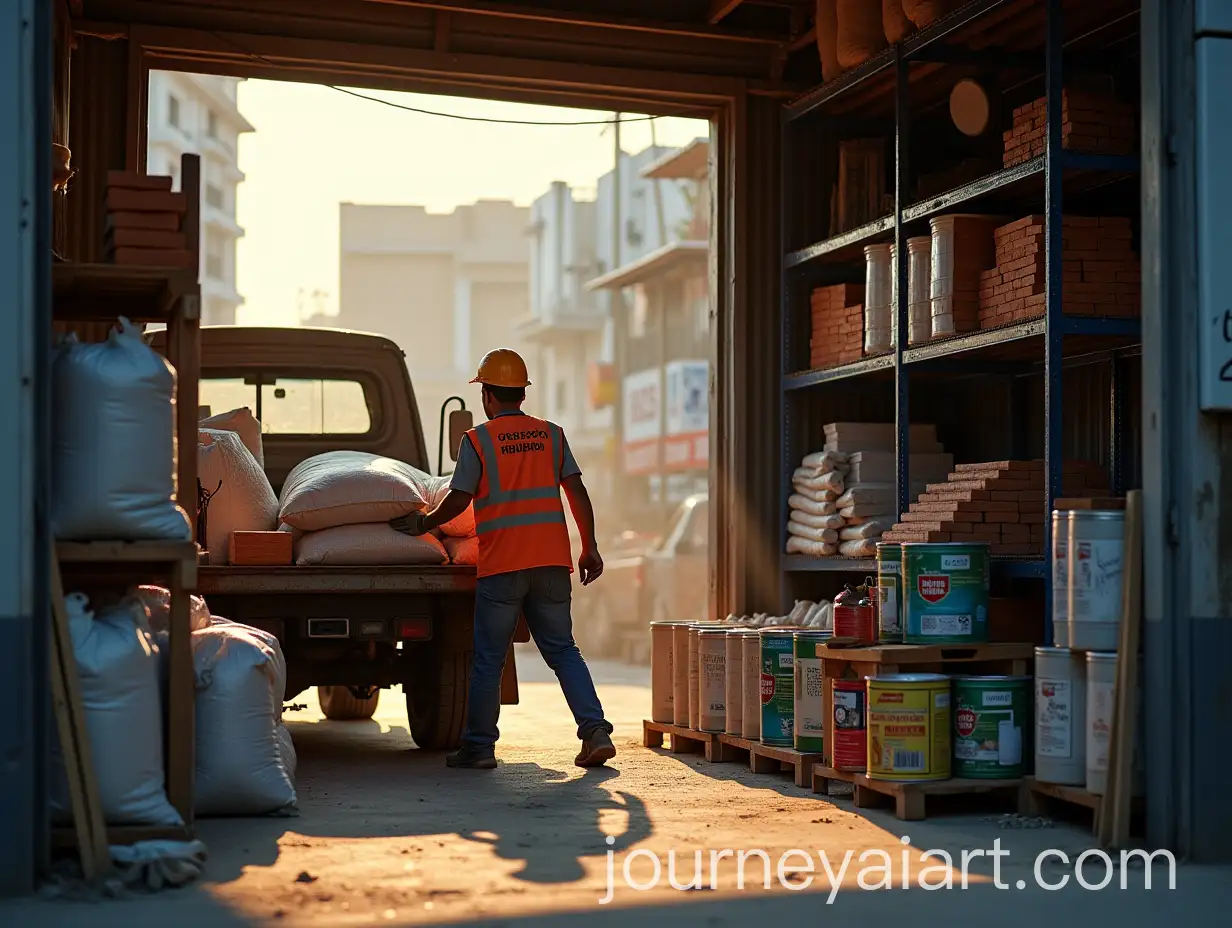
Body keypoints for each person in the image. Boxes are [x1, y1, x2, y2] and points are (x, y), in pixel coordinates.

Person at [390, 348, 616, 770]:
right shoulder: (552, 435)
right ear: (522, 394)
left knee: (488, 660)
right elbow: (577, 492)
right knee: (563, 650)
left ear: (488, 395)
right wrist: (589, 546)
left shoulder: (477, 440)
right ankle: (595, 731)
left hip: (503, 568)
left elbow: (459, 498)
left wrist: (423, 524)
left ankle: (479, 748)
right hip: (551, 563)